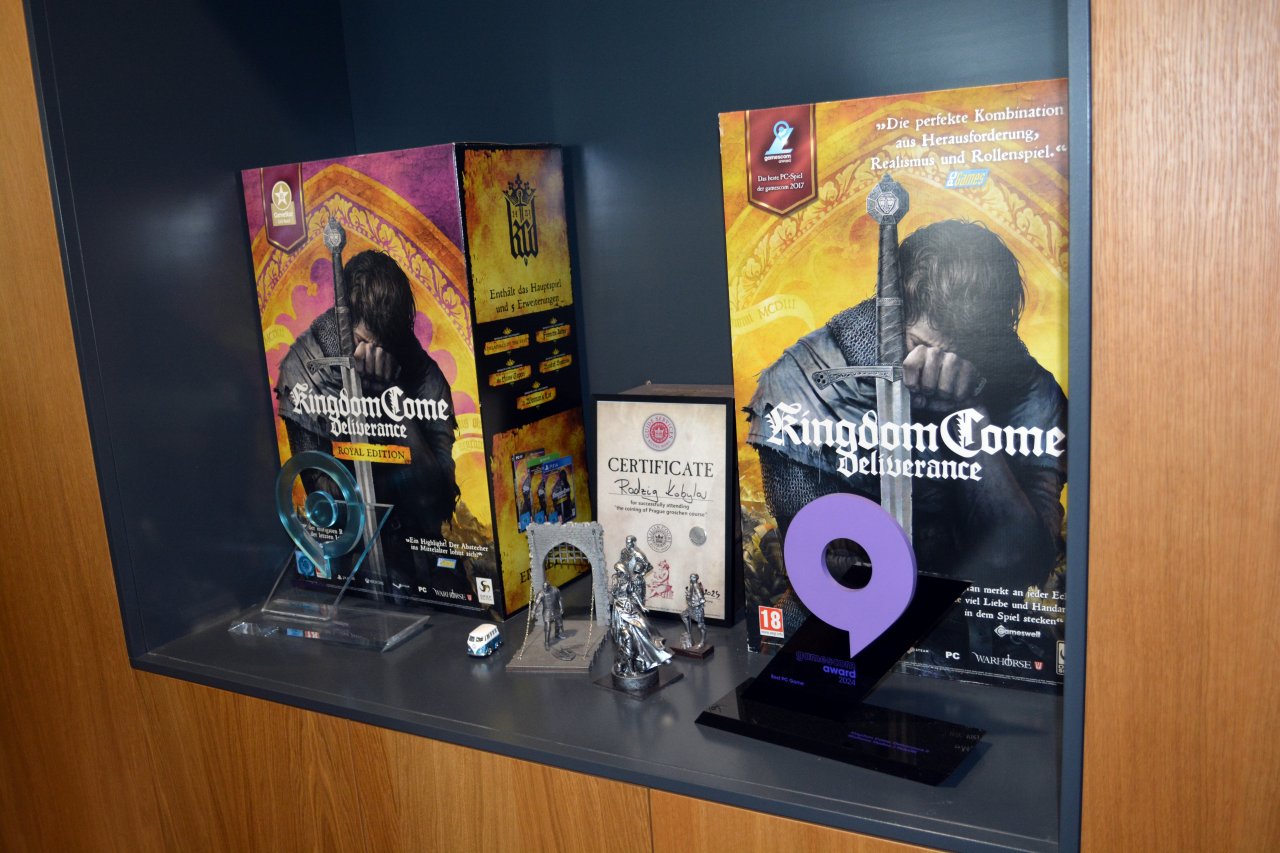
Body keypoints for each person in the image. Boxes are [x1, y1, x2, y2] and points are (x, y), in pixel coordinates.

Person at [746, 220, 1067, 662]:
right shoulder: (800, 383)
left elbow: (1020, 562)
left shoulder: (1030, 390)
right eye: (919, 345)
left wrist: (969, 415)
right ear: (892, 313)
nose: (932, 367)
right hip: (841, 628)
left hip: (979, 635)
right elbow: (816, 561)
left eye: (960, 355)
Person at [275, 250, 462, 599]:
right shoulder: (303, 370)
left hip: (422, 563)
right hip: (352, 567)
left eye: (386, 347)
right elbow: (326, 500)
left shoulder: (423, 374)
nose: (375, 356)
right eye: (364, 343)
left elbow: (436, 502)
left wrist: (393, 401)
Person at [609, 563, 671, 677]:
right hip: (619, 609)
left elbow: (633, 594)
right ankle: (638, 660)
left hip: (629, 607)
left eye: (619, 571)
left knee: (644, 625)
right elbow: (613, 594)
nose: (618, 573)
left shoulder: (629, 581)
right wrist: (615, 586)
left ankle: (659, 653)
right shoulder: (615, 580)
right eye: (617, 571)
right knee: (631, 634)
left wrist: (642, 606)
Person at [619, 535, 653, 606]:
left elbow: (649, 566)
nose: (627, 544)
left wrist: (640, 575)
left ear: (634, 542)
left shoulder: (638, 554)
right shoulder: (623, 552)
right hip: (625, 580)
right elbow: (621, 562)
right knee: (625, 603)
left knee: (637, 604)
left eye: (629, 543)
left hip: (636, 582)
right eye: (626, 542)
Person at [531, 581, 565, 649]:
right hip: (547, 611)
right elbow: (536, 603)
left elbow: (560, 599)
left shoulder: (555, 590)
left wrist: (561, 607)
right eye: (544, 588)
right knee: (548, 627)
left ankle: (557, 634)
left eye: (546, 588)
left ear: (549, 587)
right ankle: (547, 643)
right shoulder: (541, 593)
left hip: (555, 609)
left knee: (558, 624)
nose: (545, 589)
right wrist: (533, 611)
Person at [681, 573, 707, 649]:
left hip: (697, 609)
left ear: (696, 578)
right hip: (690, 608)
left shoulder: (696, 586)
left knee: (700, 625)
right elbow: (690, 595)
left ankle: (702, 641)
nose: (692, 578)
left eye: (694, 577)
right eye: (691, 577)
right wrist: (688, 596)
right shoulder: (692, 585)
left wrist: (697, 603)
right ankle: (689, 633)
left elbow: (702, 599)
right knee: (683, 615)